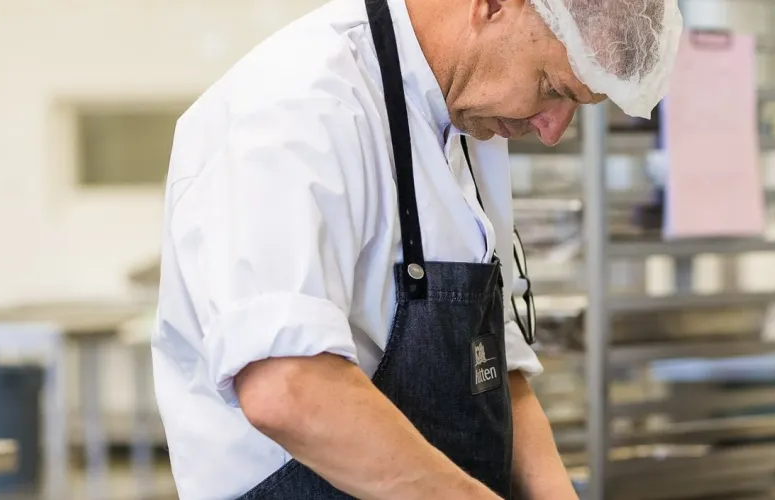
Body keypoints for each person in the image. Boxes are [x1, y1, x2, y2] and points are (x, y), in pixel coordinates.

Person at [152, 0, 681, 497]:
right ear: (493, 5)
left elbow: (495, 374)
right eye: (552, 88)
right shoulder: (298, 107)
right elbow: (288, 388)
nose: (551, 131)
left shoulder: (470, 127)